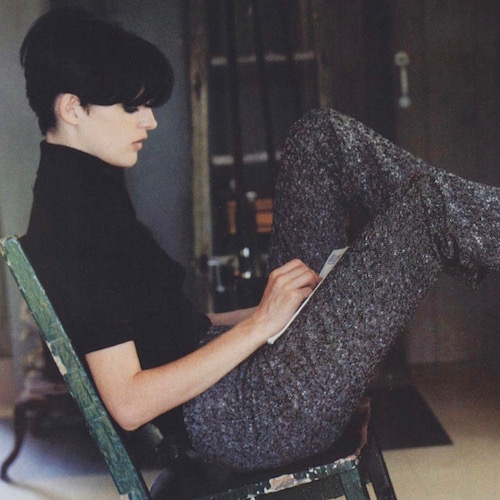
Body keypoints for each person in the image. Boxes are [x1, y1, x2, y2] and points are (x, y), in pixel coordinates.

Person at [20, 8, 500, 473]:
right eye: (132, 107)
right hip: (247, 418)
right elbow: (129, 404)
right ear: (72, 108)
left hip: (245, 382)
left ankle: (470, 236)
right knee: (431, 207)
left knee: (320, 137)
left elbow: (171, 330)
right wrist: (262, 323)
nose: (150, 121)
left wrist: (279, 311)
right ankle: (470, 233)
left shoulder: (88, 186)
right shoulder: (74, 223)